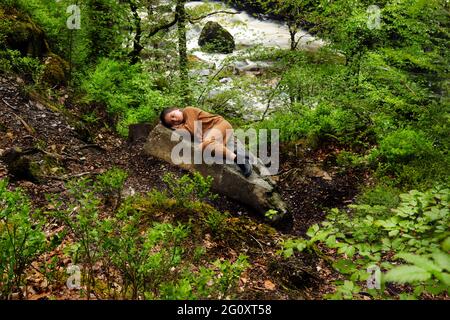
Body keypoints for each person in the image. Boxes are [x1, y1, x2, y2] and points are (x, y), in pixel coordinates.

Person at [159, 106, 252, 177]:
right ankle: (238, 155)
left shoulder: (188, 110)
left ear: (177, 109)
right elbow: (192, 135)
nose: (175, 120)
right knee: (210, 151)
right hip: (214, 138)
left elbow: (194, 131)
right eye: (172, 122)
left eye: (173, 116)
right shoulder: (184, 123)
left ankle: (240, 160)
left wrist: (179, 128)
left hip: (220, 124)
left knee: (204, 146)